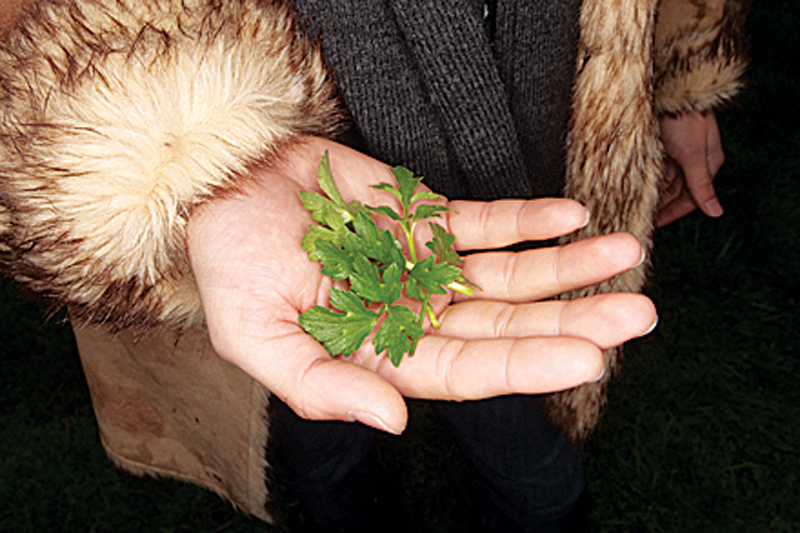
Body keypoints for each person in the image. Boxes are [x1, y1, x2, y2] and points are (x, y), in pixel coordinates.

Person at [0, 0, 748, 531]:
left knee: (524, 431)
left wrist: (680, 73)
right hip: (273, 157)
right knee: (315, 424)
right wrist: (179, 155)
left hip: (534, 122)